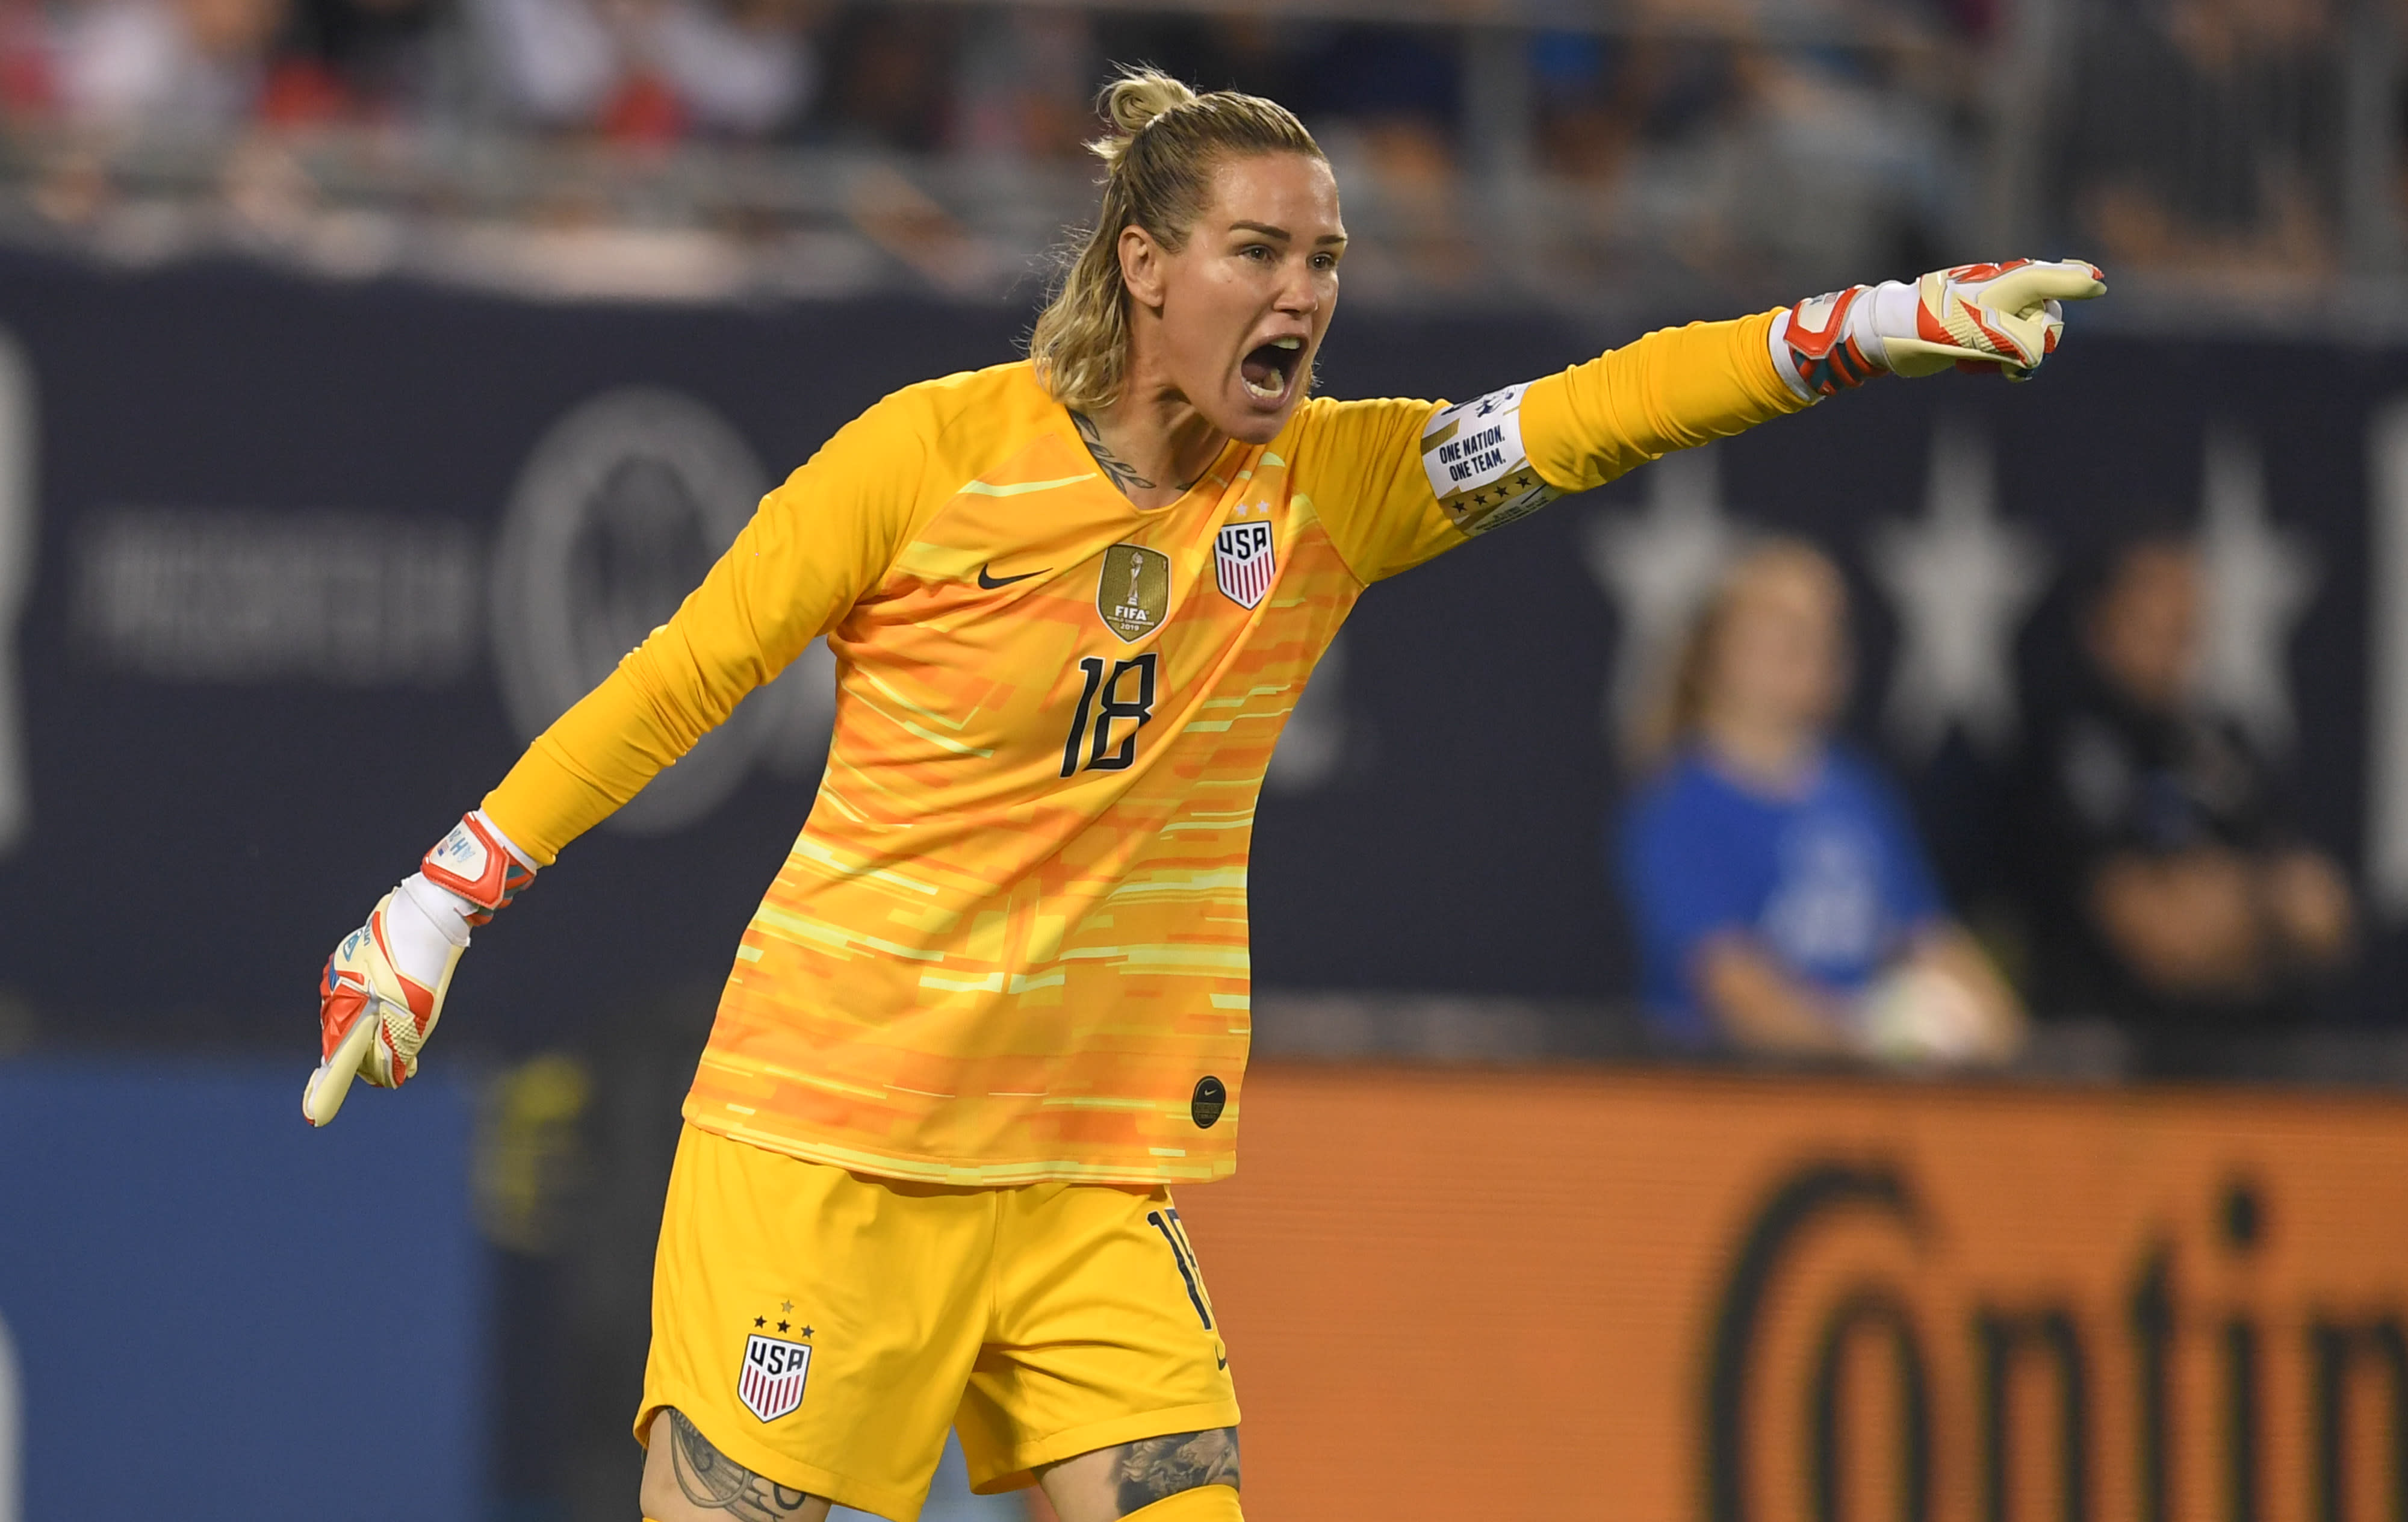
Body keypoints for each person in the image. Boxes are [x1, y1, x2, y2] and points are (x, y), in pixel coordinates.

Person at [304, 68, 2102, 1522]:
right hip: (828, 1138)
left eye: (1325, 256)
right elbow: (678, 675)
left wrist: (1866, 320)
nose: (1305, 293)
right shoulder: (925, 461)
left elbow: (1590, 412)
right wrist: (436, 899)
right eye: (1260, 250)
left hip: (1084, 1164)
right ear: (1147, 267)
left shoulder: (1333, 486)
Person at [1615, 540, 2026, 1066]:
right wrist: (1880, 1037)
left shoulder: (1859, 793)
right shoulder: (1675, 809)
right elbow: (1741, 998)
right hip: (1724, 1101)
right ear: (1714, 652)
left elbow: (1934, 942)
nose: (1809, 649)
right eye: (1781, 630)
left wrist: (1998, 1033)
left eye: (1825, 631)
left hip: (1860, 1100)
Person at [2017, 534, 2351, 1050]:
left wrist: (2227, 903)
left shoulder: (2222, 742)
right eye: (2156, 615)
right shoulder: (2064, 742)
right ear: (2101, 621)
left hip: (2256, 1059)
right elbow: (2157, 933)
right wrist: (2263, 910)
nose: (2178, 636)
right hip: (2116, 1065)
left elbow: (2322, 917)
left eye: (2188, 624)